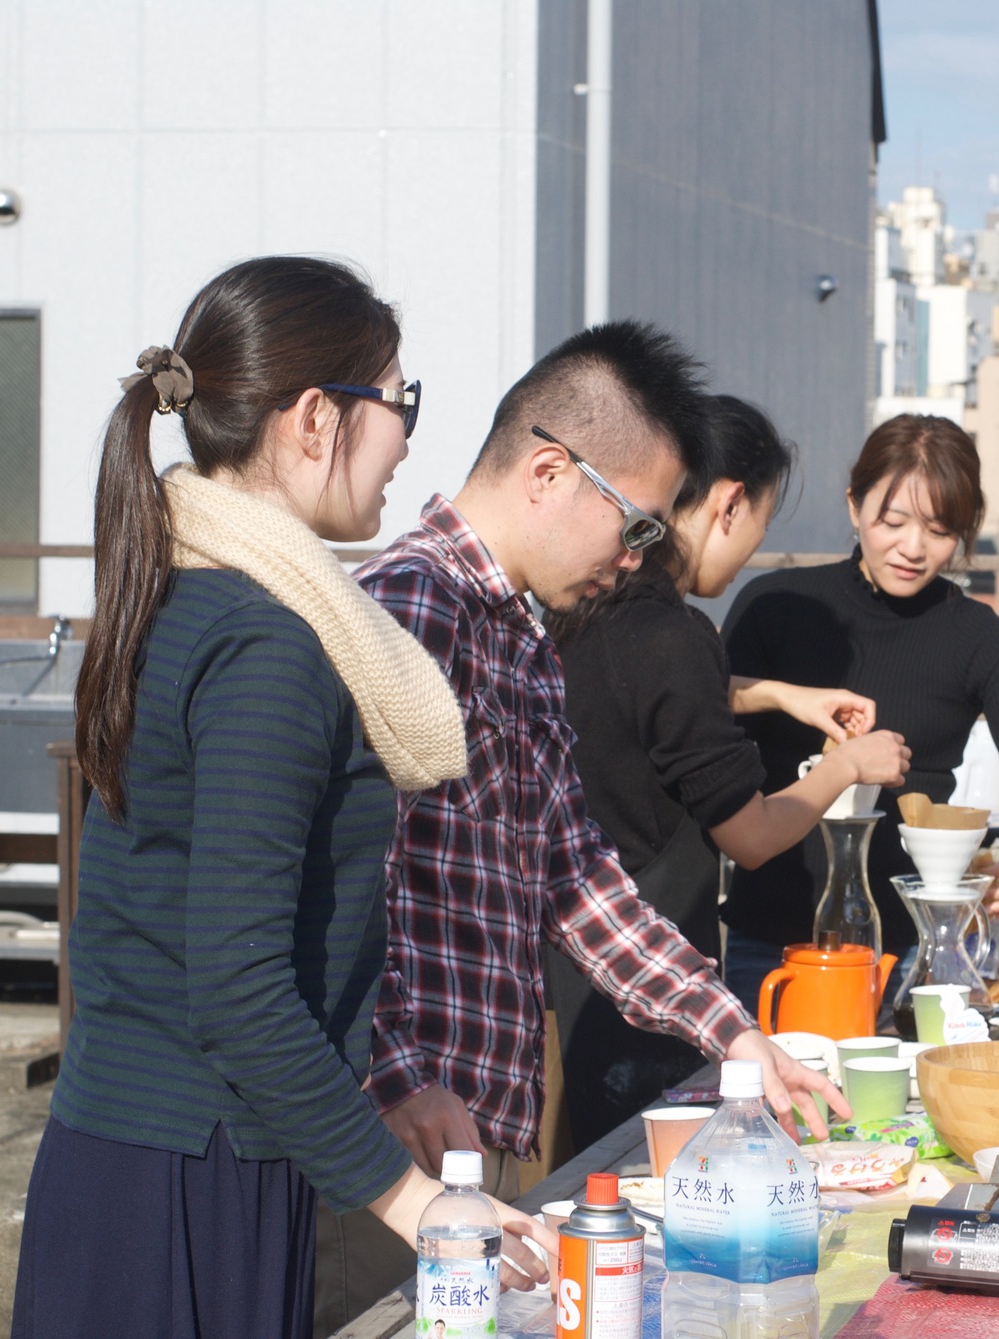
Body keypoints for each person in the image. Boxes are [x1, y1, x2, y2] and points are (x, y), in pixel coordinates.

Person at [13, 257, 545, 1338]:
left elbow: (186, 932)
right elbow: (240, 986)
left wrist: (375, 1099)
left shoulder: (176, 596)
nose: (403, 441)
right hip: (190, 1178)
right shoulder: (269, 644)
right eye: (398, 404)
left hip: (140, 1155)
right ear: (315, 418)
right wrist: (414, 1202)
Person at [319, 323, 846, 1331]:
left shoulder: (519, 632)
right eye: (637, 523)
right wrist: (392, 1077)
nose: (639, 555)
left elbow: (578, 879)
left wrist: (733, 1030)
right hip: (388, 1140)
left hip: (477, 1123)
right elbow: (326, 893)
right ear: (551, 472)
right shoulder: (407, 607)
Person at [543, 394, 911, 1149]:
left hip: (569, 972)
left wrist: (778, 693)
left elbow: (652, 703)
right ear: (729, 502)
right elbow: (750, 834)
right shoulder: (675, 635)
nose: (750, 549)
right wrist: (847, 765)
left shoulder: (590, 604)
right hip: (647, 977)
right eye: (762, 526)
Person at [721, 414, 999, 997]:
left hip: (915, 947)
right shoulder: (776, 607)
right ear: (853, 506)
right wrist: (786, 698)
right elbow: (699, 708)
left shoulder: (984, 641)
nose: (912, 549)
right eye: (893, 521)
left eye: (940, 531)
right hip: (771, 941)